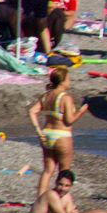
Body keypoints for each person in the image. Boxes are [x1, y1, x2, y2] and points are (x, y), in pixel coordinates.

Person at [27, 67, 88, 199]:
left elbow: (32, 111)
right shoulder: (65, 97)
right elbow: (69, 120)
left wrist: (37, 130)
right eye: (68, 79)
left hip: (47, 133)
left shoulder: (45, 96)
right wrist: (81, 112)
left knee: (48, 170)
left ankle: (40, 200)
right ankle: (60, 201)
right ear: (63, 81)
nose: (69, 81)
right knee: (64, 171)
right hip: (62, 135)